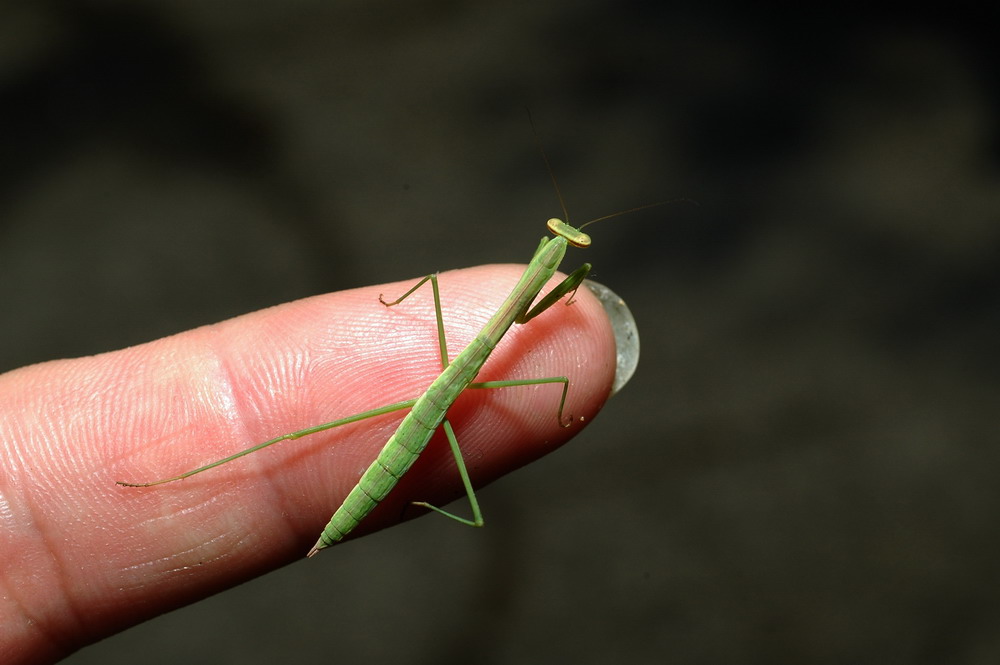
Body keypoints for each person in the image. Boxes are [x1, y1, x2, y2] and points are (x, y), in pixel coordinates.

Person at [0, 265, 616, 664]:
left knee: (540, 381)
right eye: (563, 246)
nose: (566, 250)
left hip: (433, 414)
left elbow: (527, 318)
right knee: (292, 432)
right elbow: (541, 341)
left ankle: (174, 479)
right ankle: (174, 477)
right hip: (424, 412)